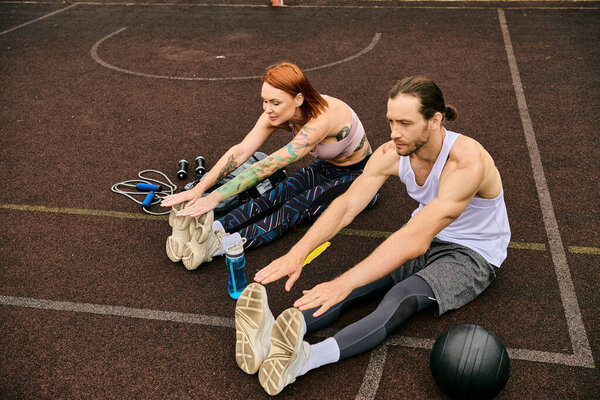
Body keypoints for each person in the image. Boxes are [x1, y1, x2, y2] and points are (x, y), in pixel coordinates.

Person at [233, 76, 511, 396]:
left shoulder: (466, 162)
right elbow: (347, 205)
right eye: (391, 121)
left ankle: (304, 360)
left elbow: (414, 240)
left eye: (405, 123)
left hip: (471, 254)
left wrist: (343, 282)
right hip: (423, 232)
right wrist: (298, 252)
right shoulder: (392, 153)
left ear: (434, 120)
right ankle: (266, 337)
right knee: (353, 287)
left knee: (400, 296)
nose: (395, 133)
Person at [161, 62, 375, 270]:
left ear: (298, 99)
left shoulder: (322, 119)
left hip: (361, 177)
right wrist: (200, 190)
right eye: (265, 101)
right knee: (274, 196)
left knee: (295, 208)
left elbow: (268, 165)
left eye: (275, 102)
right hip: (325, 167)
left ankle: (217, 247)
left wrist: (215, 197)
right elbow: (241, 151)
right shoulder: (278, 113)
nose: (267, 109)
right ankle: (212, 229)